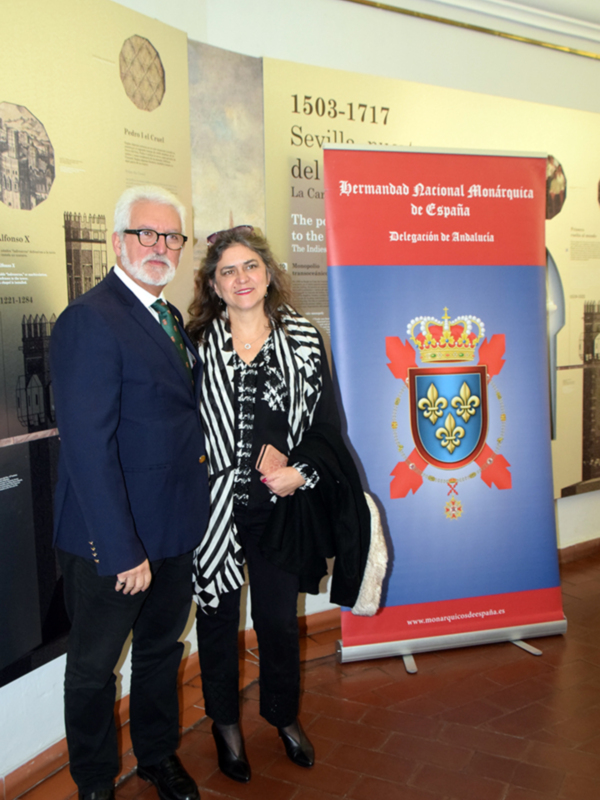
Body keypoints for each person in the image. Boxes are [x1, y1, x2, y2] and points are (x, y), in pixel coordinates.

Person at [186, 226, 379, 784]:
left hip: (279, 507)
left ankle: (282, 716)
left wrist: (300, 470)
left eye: (250, 267)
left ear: (268, 274)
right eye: (228, 271)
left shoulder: (303, 340)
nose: (241, 278)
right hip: (213, 508)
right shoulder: (195, 344)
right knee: (218, 620)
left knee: (276, 621)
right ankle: (224, 724)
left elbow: (326, 427)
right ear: (214, 284)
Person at [50, 186, 210, 800]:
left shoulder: (168, 318)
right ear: (118, 241)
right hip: (111, 542)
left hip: (173, 530)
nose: (160, 247)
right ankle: (94, 782)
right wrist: (120, 550)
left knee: (161, 652)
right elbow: (88, 449)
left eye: (172, 237)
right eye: (147, 234)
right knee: (92, 670)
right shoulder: (91, 318)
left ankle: (156, 757)